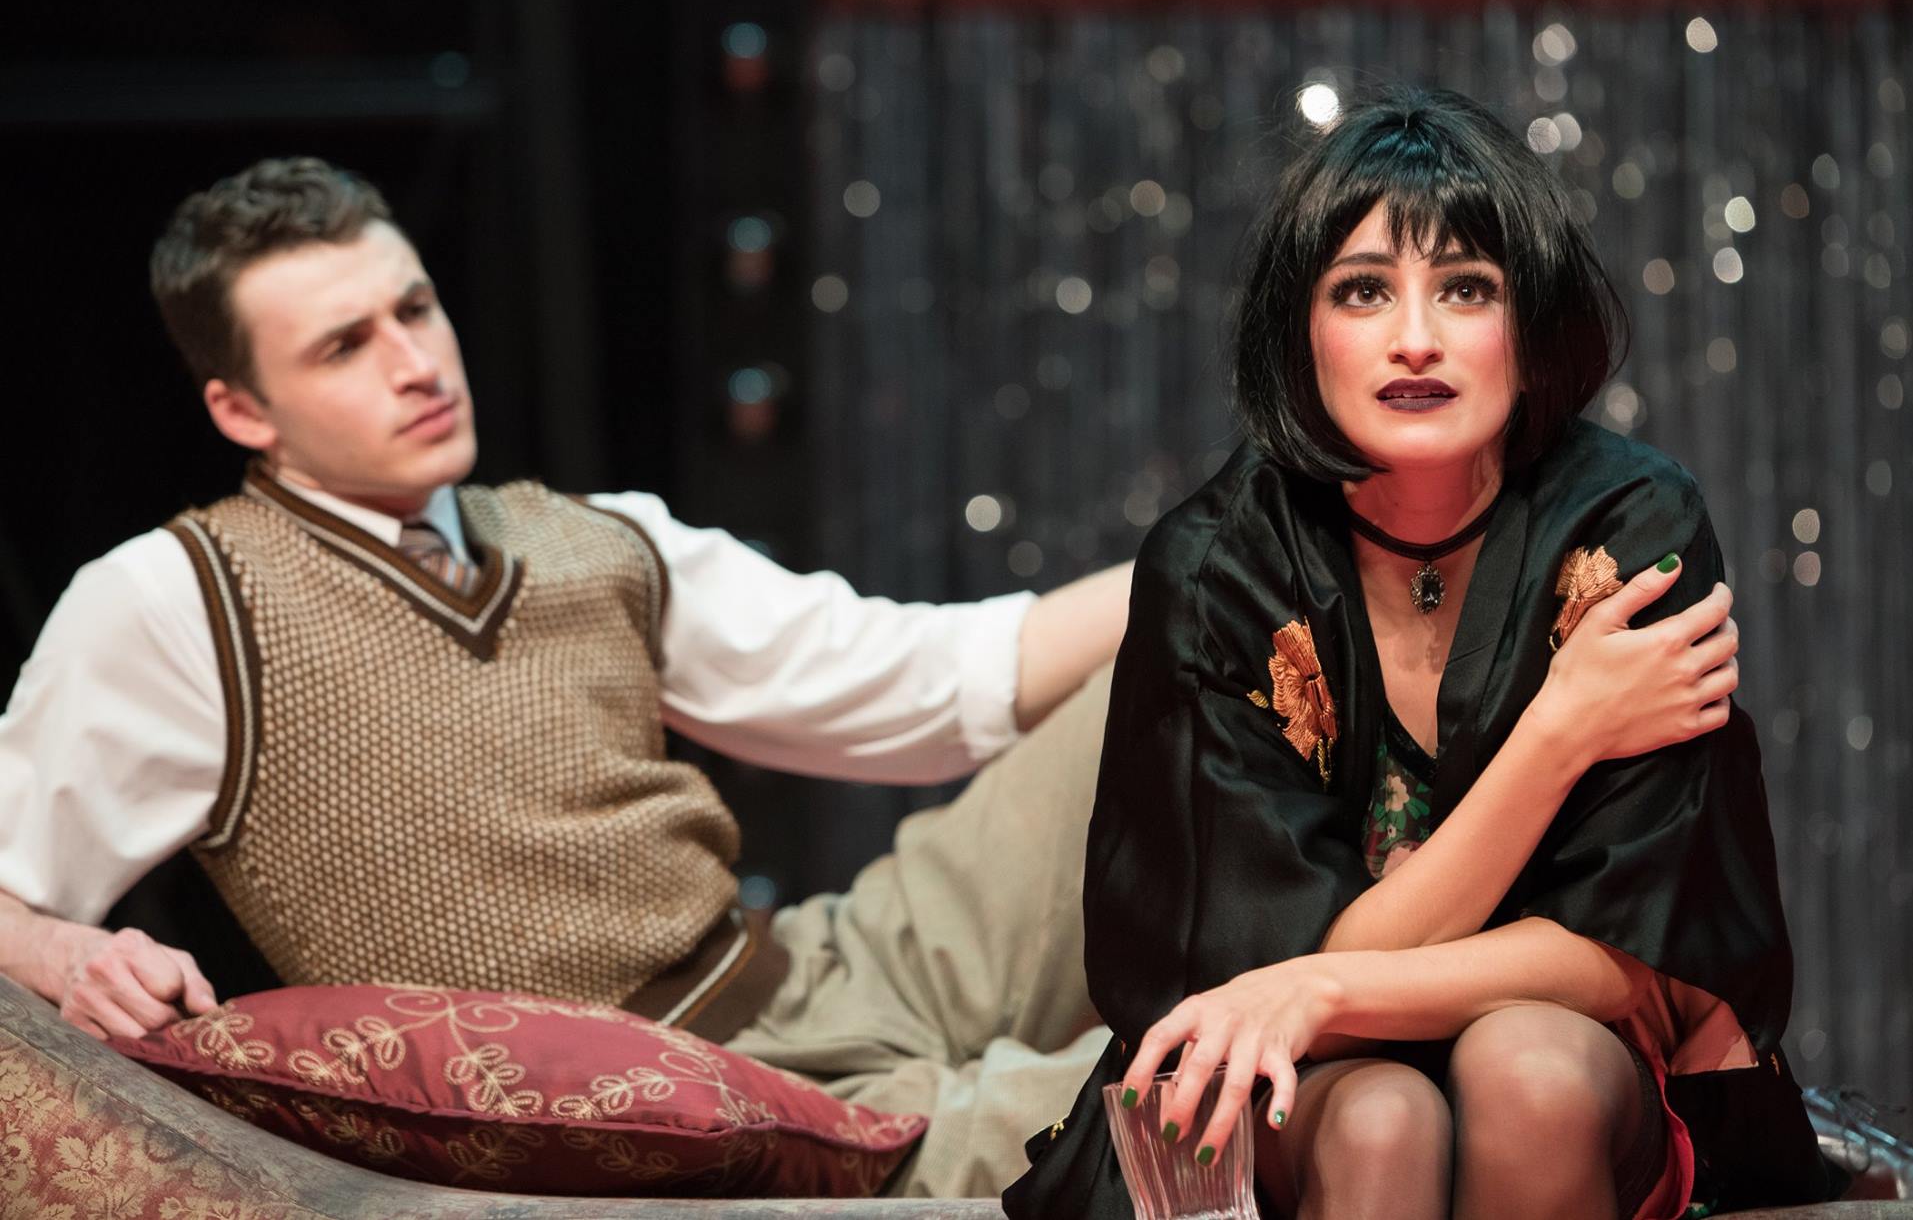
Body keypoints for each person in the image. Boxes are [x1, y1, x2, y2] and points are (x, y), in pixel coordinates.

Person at [0, 155, 1130, 1198]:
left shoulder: (596, 538)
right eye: (344, 347)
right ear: (243, 410)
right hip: (708, 1107)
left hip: (837, 959)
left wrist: (1202, 564)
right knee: (1183, 1106)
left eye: (414, 309)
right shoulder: (175, 600)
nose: (415, 365)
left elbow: (936, 679)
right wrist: (65, 948)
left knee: (1185, 660)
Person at [1005, 87, 1838, 1220]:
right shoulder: (1215, 570)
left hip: (1564, 1050)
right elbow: (1253, 988)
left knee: (1529, 1073)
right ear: (1299, 329)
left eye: (1465, 287)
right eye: (1362, 289)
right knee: (1382, 1116)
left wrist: (1323, 983)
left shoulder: (1629, 531)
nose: (1415, 338)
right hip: (1252, 1083)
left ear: (1528, 324)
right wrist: (1561, 732)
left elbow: (1635, 955)